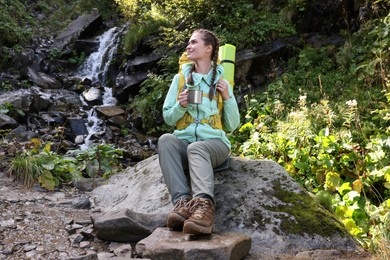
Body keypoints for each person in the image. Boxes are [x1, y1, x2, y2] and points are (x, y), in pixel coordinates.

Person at [157, 29, 240, 235]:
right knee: (166, 140)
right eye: (188, 43)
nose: (189, 46)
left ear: (208, 49)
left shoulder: (222, 81)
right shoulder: (180, 80)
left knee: (197, 148)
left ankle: (204, 208)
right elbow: (168, 118)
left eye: (194, 42)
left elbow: (232, 125)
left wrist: (227, 96)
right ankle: (182, 204)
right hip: (186, 145)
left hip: (215, 146)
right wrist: (180, 105)